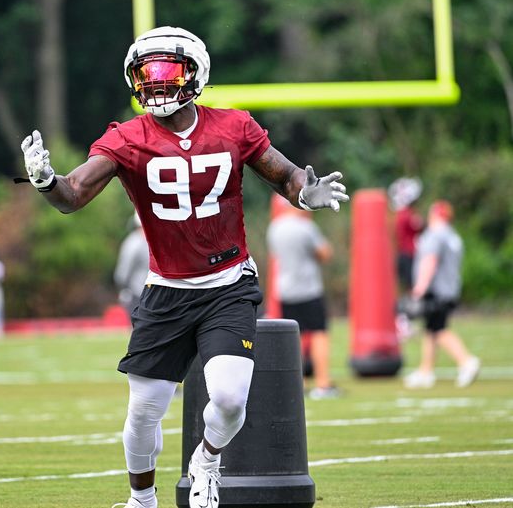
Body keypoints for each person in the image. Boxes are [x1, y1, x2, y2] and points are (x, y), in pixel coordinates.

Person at [18, 26, 349, 508]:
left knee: (232, 398)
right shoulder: (126, 138)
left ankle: (207, 461)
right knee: (143, 414)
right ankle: (142, 500)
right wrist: (46, 180)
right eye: (145, 73)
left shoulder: (234, 126)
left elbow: (285, 174)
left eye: (165, 71)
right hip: (166, 290)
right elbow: (73, 196)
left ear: (195, 73)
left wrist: (305, 193)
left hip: (228, 285)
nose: (154, 83)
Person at [404, 200, 480, 389]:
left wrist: (419, 288)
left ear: (434, 215)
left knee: (439, 330)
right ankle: (425, 371)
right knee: (431, 329)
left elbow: (430, 261)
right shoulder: (452, 236)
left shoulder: (435, 235)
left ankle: (467, 361)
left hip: (436, 289)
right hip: (450, 288)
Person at [266, 202, 339, 400]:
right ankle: (323, 383)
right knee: (319, 334)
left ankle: (299, 382)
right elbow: (324, 253)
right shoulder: (306, 227)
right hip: (308, 289)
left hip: (285, 290)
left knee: (294, 337)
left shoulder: (275, 227)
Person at [389, 177, 425, 292]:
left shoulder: (400, 214)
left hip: (404, 253)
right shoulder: (407, 215)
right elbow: (419, 225)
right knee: (411, 285)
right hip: (409, 254)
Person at [114, 213, 150, 316]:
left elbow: (122, 273)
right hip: (142, 293)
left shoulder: (132, 242)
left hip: (138, 292)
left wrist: (122, 288)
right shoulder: (137, 242)